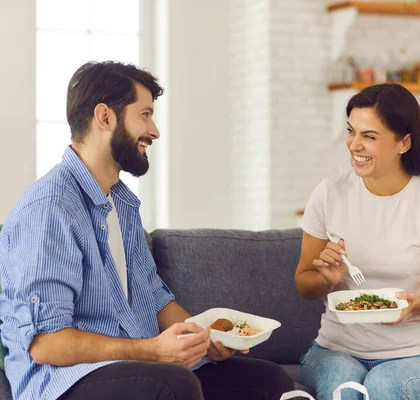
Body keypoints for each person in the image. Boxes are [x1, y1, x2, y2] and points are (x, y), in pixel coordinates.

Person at [0, 61, 294, 400]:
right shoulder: (49, 209)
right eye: (145, 114)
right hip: (65, 382)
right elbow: (46, 344)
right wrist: (153, 350)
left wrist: (205, 340)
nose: (154, 131)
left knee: (268, 381)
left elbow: (153, 298)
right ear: (105, 117)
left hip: (140, 367)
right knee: (172, 385)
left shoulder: (122, 205)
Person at [295, 83, 420, 400]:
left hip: (416, 354)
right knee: (343, 388)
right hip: (336, 349)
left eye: (369, 136)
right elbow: (305, 285)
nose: (353, 145)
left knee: (384, 385)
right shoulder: (329, 194)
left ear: (404, 142)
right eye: (351, 132)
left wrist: (416, 304)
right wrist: (326, 280)